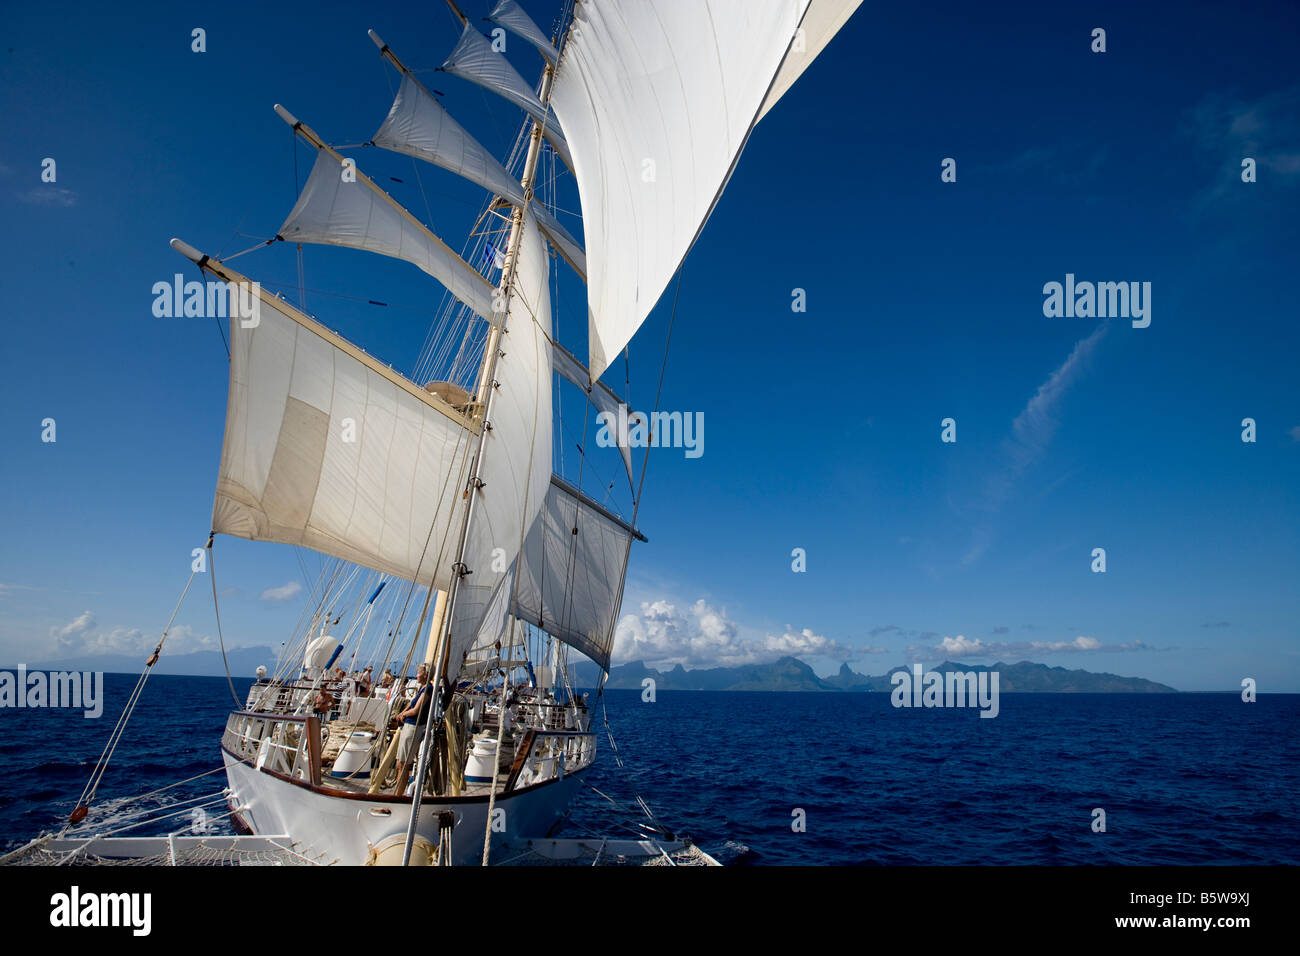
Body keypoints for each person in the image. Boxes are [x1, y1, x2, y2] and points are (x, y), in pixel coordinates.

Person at [392, 664, 433, 798]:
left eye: (419, 673)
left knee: (403, 765)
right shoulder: (422, 688)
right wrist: (402, 712)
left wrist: (403, 715)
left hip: (413, 727)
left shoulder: (428, 688)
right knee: (400, 763)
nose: (416, 675)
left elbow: (416, 710)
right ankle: (397, 794)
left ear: (425, 675)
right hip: (409, 726)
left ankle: (397, 797)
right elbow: (411, 704)